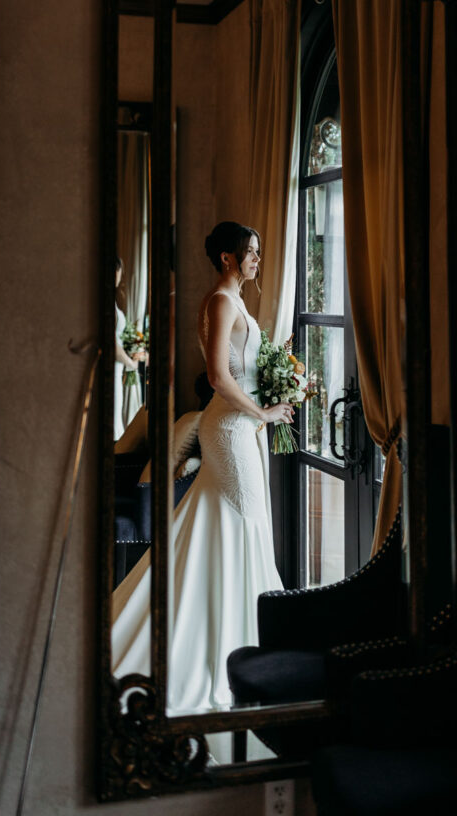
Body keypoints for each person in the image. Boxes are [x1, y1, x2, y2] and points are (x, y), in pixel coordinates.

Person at [111, 222, 292, 719]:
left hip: (241, 430)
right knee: (243, 522)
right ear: (228, 259)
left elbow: (242, 371)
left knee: (224, 524)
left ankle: (239, 638)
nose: (257, 259)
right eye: (250, 252)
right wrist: (262, 413)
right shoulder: (220, 301)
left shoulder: (236, 302)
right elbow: (217, 377)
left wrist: (278, 388)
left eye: (258, 251)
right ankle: (228, 648)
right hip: (230, 430)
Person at [114, 256, 146, 440]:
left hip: (118, 371)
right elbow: (113, 347)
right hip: (115, 369)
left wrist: (133, 350)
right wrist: (131, 364)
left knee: (116, 417)